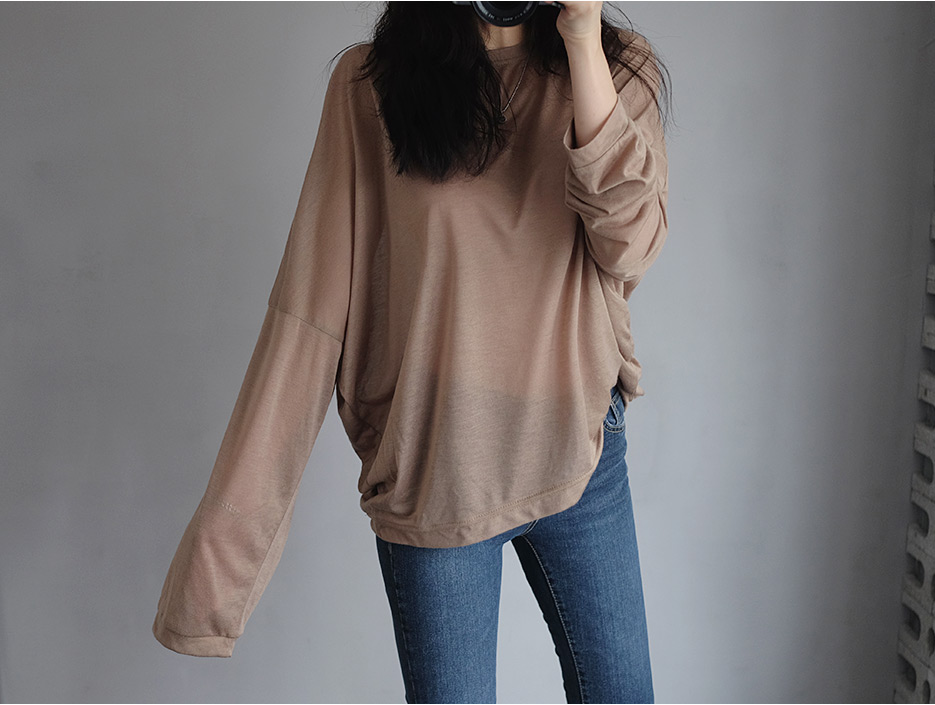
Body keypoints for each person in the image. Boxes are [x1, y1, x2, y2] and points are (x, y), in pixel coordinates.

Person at [152, 2, 670, 703]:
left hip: (580, 446)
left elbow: (630, 245)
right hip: (437, 468)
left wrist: (581, 38)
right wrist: (218, 570)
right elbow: (308, 313)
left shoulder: (616, 66)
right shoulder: (371, 85)